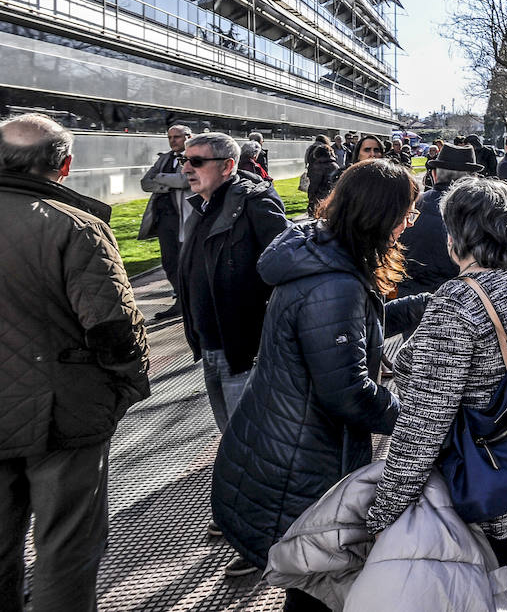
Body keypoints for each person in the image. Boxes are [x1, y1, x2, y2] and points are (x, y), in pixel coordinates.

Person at [212, 159, 426, 597]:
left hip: (284, 439)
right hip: (303, 457)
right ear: (379, 214)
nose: (410, 221)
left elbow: (359, 326)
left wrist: (429, 302)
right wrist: (420, 419)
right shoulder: (336, 283)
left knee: (310, 577)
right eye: (407, 211)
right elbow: (348, 394)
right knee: (315, 579)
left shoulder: (322, 253)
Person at [368, 175, 507, 610]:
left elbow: (424, 423)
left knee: (474, 589)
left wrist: (385, 511)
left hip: (477, 480)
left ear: (458, 235)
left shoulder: (457, 302)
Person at [0, 114, 151, 612]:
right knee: (66, 548)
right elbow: (115, 330)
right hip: (65, 414)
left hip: (51, 409)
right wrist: (128, 388)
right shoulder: (76, 228)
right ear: (64, 166)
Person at [177, 133, 288, 439]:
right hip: (211, 345)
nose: (186, 169)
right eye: (184, 160)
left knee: (250, 443)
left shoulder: (255, 202)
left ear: (227, 166)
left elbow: (287, 268)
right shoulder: (204, 205)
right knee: (231, 439)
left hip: (243, 350)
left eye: (196, 161)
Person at [397, 144, 486, 297]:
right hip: (458, 300)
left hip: (406, 298)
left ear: (434, 175)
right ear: (473, 179)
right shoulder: (481, 212)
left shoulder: (411, 205)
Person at [138, 124, 193, 321]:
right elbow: (146, 183)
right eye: (170, 137)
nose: (173, 141)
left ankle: (189, 300)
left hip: (184, 216)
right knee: (169, 261)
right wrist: (169, 186)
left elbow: (185, 181)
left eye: (177, 137)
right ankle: (180, 298)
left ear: (188, 136)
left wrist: (160, 179)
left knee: (186, 260)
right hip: (164, 219)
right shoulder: (164, 158)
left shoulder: (193, 156)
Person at [305, 141, 340, 216]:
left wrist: (311, 197)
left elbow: (314, 184)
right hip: (332, 197)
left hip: (319, 197)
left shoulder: (317, 166)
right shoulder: (335, 166)